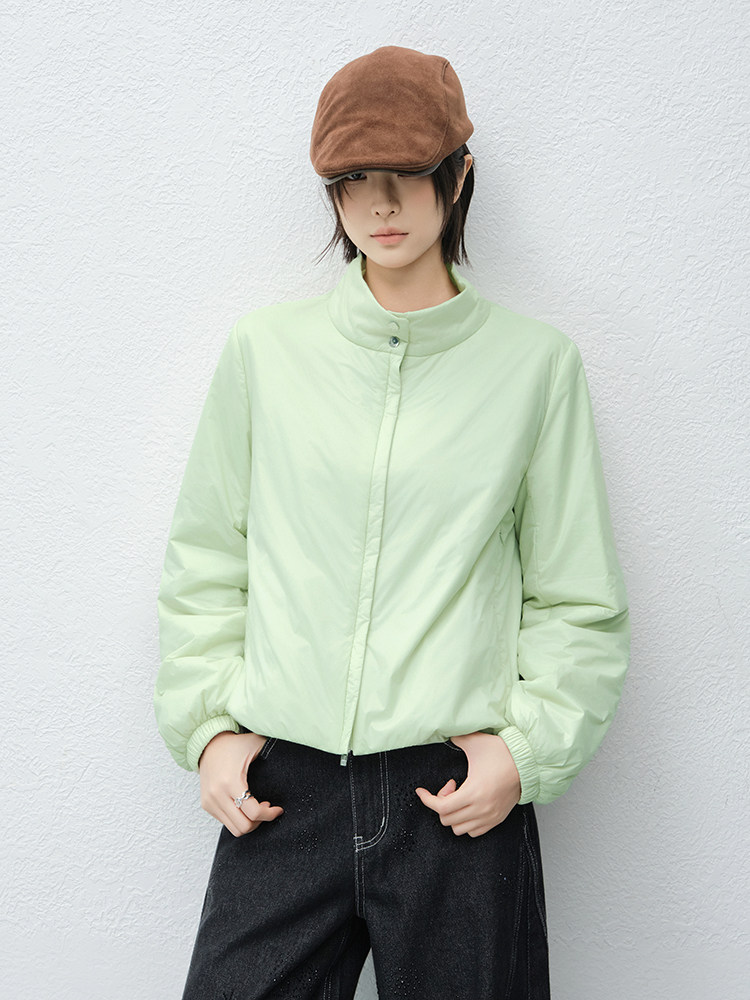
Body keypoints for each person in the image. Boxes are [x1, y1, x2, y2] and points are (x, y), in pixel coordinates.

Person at [154, 44, 630, 1000]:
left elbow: (577, 598)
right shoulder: (265, 354)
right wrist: (209, 729)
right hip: (283, 790)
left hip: (455, 794)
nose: (380, 206)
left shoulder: (535, 367)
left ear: (459, 174)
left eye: (407, 176)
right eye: (353, 180)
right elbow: (207, 559)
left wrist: (523, 753)